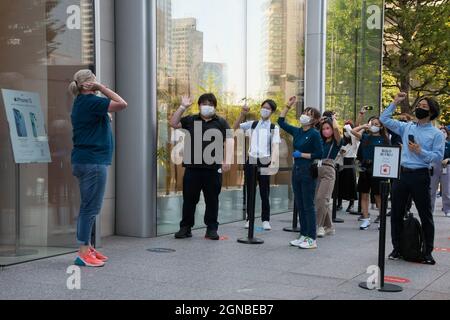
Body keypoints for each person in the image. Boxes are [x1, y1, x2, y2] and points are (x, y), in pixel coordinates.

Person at [69, 69, 128, 267]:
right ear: (89, 84)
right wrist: (102, 88)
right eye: (95, 81)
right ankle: (83, 253)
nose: (98, 83)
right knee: (90, 208)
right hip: (92, 162)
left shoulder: (83, 102)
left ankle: (88, 247)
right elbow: (122, 104)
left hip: (88, 160)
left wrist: (98, 89)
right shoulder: (90, 102)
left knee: (90, 207)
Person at [381, 92, 445, 265]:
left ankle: (428, 251)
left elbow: (437, 158)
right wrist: (395, 102)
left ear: (431, 112)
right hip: (402, 174)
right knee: (396, 212)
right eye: (419, 106)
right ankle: (397, 248)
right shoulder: (407, 127)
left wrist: (420, 151)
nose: (419, 108)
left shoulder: (436, 134)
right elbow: (384, 119)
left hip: (420, 175)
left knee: (425, 214)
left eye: (424, 107)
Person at [170, 93, 234, 240]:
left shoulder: (222, 122)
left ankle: (211, 229)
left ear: (215, 107)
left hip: (213, 169)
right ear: (199, 106)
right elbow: (173, 123)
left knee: (212, 200)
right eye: (204, 104)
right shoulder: (191, 119)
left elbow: (230, 140)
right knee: (189, 199)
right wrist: (182, 107)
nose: (207, 107)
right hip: (192, 168)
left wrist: (227, 160)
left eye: (211, 104)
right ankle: (185, 227)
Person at [278, 98, 323, 249]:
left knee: (308, 205)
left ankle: (312, 238)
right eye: (304, 112)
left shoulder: (315, 134)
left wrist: (302, 155)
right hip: (296, 170)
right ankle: (303, 234)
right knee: (300, 204)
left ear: (315, 120)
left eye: (309, 114)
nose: (305, 115)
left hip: (308, 170)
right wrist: (288, 105)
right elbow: (281, 121)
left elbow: (319, 153)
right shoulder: (297, 131)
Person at [233, 99, 281, 230]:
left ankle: (266, 219)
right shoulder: (253, 124)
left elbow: (275, 145)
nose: (265, 110)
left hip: (265, 160)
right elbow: (235, 127)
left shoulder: (274, 127)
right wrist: (242, 114)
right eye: (263, 107)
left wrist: (274, 162)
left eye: (268, 108)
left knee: (264, 191)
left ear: (272, 112)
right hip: (252, 159)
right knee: (250, 190)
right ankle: (249, 218)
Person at [352, 116, 390, 230]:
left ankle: (381, 219)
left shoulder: (384, 139)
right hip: (365, 168)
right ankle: (365, 218)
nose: (374, 126)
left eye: (376, 124)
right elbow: (353, 131)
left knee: (378, 195)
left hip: (378, 168)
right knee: (364, 194)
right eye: (372, 123)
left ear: (381, 126)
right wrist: (364, 126)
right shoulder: (365, 137)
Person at [316, 115, 342, 238]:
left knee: (322, 199)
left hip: (328, 170)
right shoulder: (320, 140)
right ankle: (329, 227)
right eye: (323, 128)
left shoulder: (336, 142)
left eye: (328, 128)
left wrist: (333, 119)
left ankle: (318, 226)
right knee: (319, 199)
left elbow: (337, 131)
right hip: (317, 170)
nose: (325, 130)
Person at [336, 121, 359, 213]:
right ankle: (339, 203)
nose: (346, 132)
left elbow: (353, 135)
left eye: (347, 130)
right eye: (344, 130)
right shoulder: (342, 141)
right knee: (340, 184)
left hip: (350, 163)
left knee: (351, 184)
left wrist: (350, 129)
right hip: (341, 163)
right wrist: (340, 152)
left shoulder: (354, 142)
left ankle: (351, 204)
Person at [430, 126, 450, 217]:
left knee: (446, 190)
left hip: (446, 167)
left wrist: (448, 159)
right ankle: (430, 209)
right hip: (434, 166)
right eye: (441, 132)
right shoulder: (433, 144)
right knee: (432, 190)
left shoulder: (448, 144)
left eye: (444, 132)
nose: (443, 134)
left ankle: (447, 209)